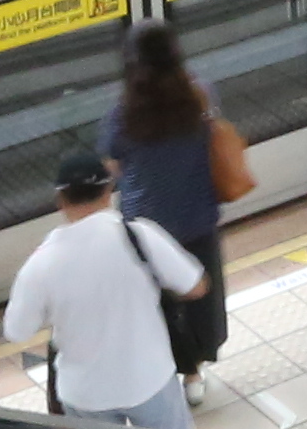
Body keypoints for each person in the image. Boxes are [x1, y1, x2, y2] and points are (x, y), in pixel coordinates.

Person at [3, 153, 205, 429]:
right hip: (149, 378)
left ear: (60, 200)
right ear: (109, 191)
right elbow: (196, 285)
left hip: (85, 394)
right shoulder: (139, 236)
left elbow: (16, 331)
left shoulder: (40, 264)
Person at [102, 23, 251, 389]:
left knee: (157, 304)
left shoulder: (123, 113)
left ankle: (165, 371)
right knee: (199, 296)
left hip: (146, 226)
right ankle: (194, 372)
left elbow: (112, 164)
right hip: (196, 215)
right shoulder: (199, 95)